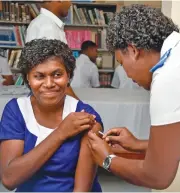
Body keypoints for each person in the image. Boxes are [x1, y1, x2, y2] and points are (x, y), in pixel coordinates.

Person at [87, 4, 180, 190]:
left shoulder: (170, 76)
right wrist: (138, 145)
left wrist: (107, 160)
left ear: (133, 50)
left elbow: (158, 177)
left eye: (121, 63)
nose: (126, 74)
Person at [0, 39, 103, 192]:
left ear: (68, 76)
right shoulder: (17, 110)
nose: (49, 83)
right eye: (39, 76)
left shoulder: (85, 116)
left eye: (57, 74)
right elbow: (9, 179)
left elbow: (81, 190)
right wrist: (61, 132)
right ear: (27, 77)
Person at [25, 0, 78, 99]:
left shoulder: (46, 23)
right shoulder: (47, 27)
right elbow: (52, 72)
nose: (70, 4)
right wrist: (77, 104)